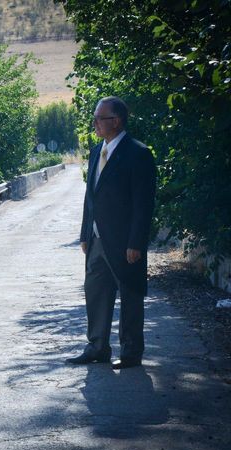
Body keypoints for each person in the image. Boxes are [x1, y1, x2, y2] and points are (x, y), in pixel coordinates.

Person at [68, 96, 156, 369]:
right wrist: (85, 234)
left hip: (124, 242)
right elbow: (90, 197)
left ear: (115, 121)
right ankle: (97, 347)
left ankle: (130, 353)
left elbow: (143, 204)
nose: (94, 123)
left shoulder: (138, 153)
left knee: (130, 295)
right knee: (96, 293)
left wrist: (136, 242)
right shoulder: (97, 151)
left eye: (99, 118)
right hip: (96, 240)